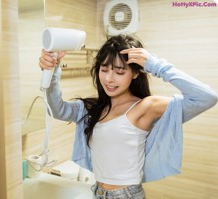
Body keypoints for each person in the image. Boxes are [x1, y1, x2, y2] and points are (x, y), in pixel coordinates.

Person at [38, 34, 217, 199]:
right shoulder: (92, 108)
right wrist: (52, 72)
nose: (109, 78)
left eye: (120, 72)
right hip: (96, 192)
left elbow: (206, 97)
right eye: (104, 69)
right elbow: (56, 109)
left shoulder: (145, 107)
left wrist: (155, 65)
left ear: (136, 73)